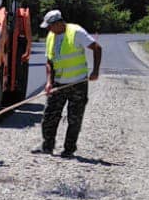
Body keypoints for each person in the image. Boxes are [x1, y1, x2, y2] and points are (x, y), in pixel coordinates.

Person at [35, 9, 101, 158]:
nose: (48, 29)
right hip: (58, 84)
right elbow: (49, 62)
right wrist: (49, 82)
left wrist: (95, 71)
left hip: (78, 84)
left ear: (58, 23)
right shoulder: (51, 36)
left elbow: (97, 48)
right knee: (49, 116)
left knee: (74, 119)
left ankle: (69, 149)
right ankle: (47, 146)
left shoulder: (76, 32)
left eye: (50, 26)